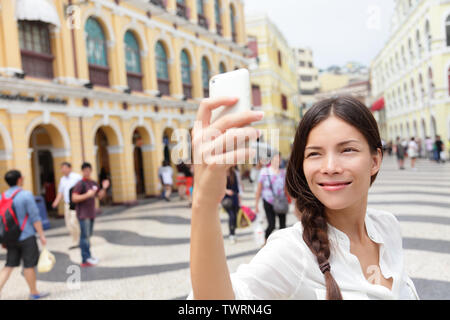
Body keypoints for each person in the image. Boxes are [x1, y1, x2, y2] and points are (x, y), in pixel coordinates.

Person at [189, 95, 419, 300]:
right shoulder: (293, 251)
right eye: (314, 154)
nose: (330, 167)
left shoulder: (387, 227)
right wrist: (204, 203)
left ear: (375, 160)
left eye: (347, 150)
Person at [0, 170, 49, 300]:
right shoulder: (26, 195)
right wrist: (42, 235)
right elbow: (35, 217)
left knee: (9, 265)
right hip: (26, 236)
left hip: (10, 237)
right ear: (20, 179)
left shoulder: (2, 196)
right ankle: (34, 292)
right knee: (28, 265)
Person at [72, 162, 109, 267]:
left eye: (89, 170)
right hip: (83, 215)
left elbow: (100, 196)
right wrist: (86, 195)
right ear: (82, 171)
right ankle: (85, 259)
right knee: (84, 237)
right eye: (85, 170)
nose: (87, 172)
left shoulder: (93, 183)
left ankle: (89, 256)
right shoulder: (80, 184)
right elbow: (74, 198)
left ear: (91, 170)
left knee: (88, 236)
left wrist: (104, 188)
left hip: (91, 213)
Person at [254, 152, 288, 242]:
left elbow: (286, 188)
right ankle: (265, 240)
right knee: (271, 224)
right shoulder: (265, 171)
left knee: (283, 226)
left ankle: (281, 243)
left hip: (280, 201)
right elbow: (259, 188)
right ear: (271, 160)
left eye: (280, 159)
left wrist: (289, 198)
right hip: (268, 201)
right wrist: (256, 204)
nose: (278, 161)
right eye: (276, 159)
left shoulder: (283, 172)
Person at [51, 162, 82, 249]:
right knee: (68, 223)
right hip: (67, 204)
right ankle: (75, 241)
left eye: (64, 168)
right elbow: (60, 192)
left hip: (75, 204)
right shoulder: (62, 179)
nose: (63, 170)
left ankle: (80, 239)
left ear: (70, 168)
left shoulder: (77, 177)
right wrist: (56, 202)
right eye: (62, 168)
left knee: (74, 222)